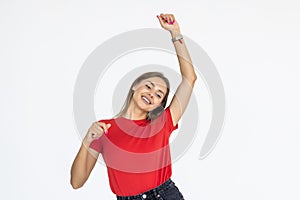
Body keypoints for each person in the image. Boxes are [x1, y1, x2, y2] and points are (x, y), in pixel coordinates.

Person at [70, 13, 197, 200]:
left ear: (158, 104)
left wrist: (175, 33)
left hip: (166, 195)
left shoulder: (163, 122)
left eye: (158, 95)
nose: (151, 94)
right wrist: (87, 140)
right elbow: (76, 182)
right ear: (135, 85)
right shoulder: (104, 129)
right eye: (148, 86)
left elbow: (189, 78)